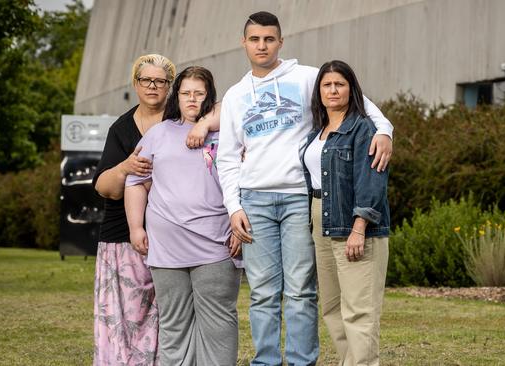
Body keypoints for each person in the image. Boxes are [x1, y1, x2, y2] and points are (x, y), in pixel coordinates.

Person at [217, 11, 394, 366]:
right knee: (263, 293)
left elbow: (366, 107)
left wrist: (386, 132)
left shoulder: (308, 77)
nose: (262, 45)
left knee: (301, 290)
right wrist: (234, 206)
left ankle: (301, 361)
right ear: (244, 43)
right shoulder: (236, 95)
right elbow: (227, 157)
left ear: (280, 42)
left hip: (301, 197)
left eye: (269, 39)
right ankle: (266, 360)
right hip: (254, 201)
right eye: (255, 39)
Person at [92, 54, 219, 365]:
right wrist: (124, 167)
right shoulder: (122, 128)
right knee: (131, 313)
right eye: (145, 80)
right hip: (126, 233)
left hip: (178, 235)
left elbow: (225, 108)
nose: (152, 86)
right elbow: (105, 188)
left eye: (160, 81)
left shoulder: (187, 119)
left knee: (170, 312)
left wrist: (202, 123)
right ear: (136, 84)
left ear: (170, 88)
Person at [124, 66, 243, 366]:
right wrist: (136, 227)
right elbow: (135, 182)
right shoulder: (158, 134)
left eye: (199, 93)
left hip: (216, 245)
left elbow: (236, 105)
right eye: (186, 92)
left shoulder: (228, 131)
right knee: (174, 324)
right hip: (166, 249)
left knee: (218, 322)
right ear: (176, 95)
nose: (192, 99)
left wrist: (239, 229)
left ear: (209, 97)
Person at [302, 60, 390, 366]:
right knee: (333, 308)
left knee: (360, 310)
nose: (333, 90)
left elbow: (371, 180)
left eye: (339, 83)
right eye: (326, 85)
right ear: (319, 92)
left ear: (351, 89)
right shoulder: (317, 131)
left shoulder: (364, 128)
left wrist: (359, 226)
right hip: (321, 223)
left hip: (353, 224)